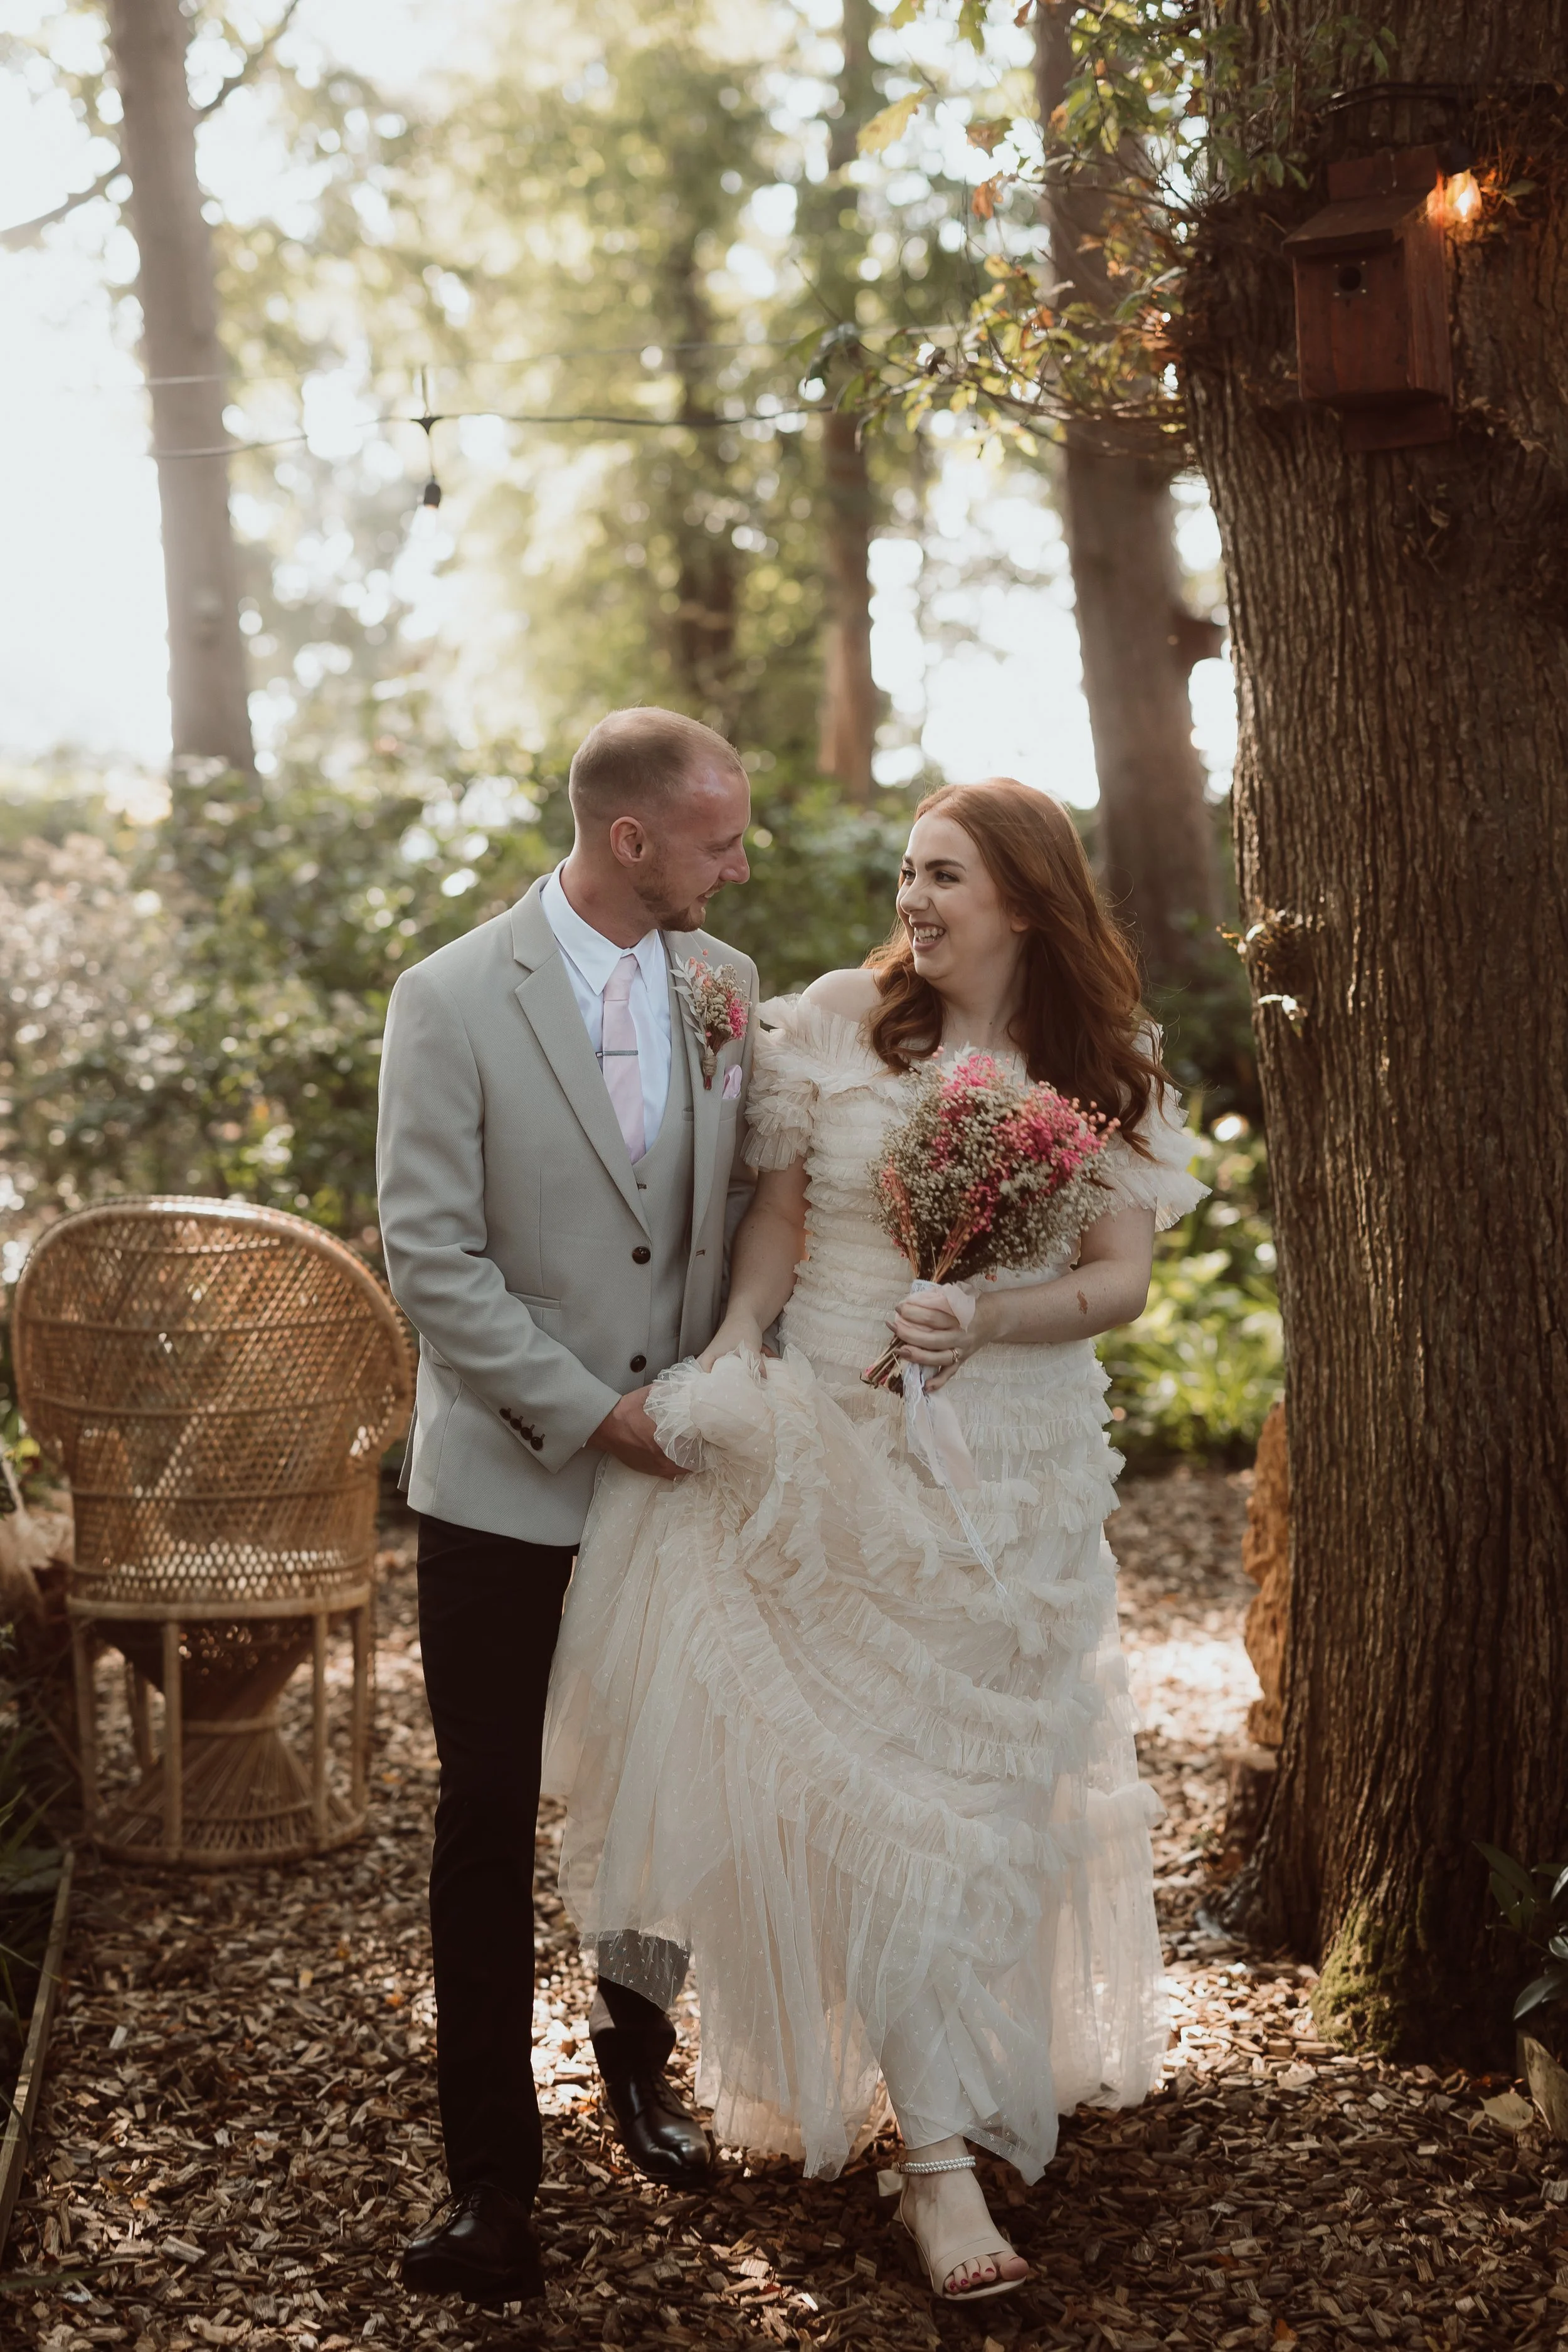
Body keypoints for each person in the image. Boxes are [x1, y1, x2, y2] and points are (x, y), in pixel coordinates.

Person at [543, 778, 1207, 2303]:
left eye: (947, 878)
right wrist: (734, 1343)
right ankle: (931, 2168)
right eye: (908, 872)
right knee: (870, 1793)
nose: (913, 900)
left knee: (969, 1803)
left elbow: (1116, 1282)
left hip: (1006, 1476)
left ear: (1027, 901)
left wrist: (984, 1314)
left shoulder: (1106, 1065)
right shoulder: (841, 1022)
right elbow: (775, 1219)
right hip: (824, 1448)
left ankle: (953, 2086)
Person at [376, 706, 758, 2305]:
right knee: (484, 1820)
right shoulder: (451, 996)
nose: (736, 864)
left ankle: (644, 2067)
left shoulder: (725, 987)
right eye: (718, 838)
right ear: (630, 840)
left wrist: (714, 1393)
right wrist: (589, 1413)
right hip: (506, 1485)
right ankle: (490, 2186)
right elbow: (430, 1255)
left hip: (675, 1479)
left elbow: (747, 1207)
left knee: (661, 1793)